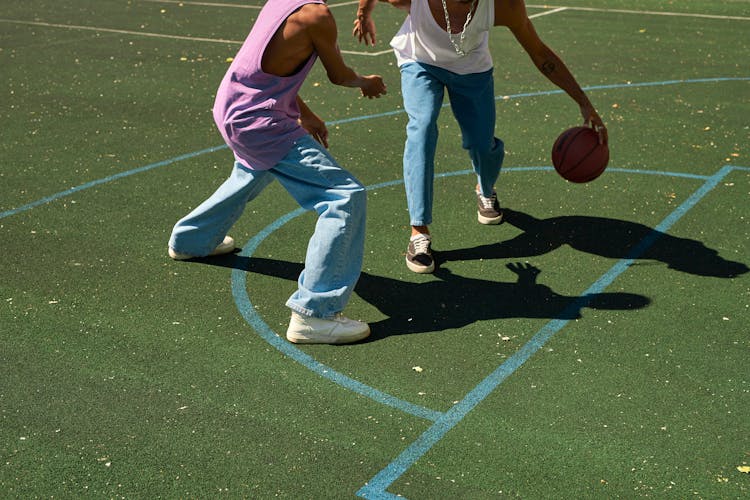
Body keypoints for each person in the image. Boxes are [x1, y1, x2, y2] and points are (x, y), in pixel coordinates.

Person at [168, 0, 387, 344]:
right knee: (344, 196)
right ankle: (314, 314)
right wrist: (366, 82)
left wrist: (304, 113)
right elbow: (339, 75)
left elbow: (271, 72)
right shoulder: (317, 15)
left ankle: (190, 240)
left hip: (233, 106)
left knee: (254, 168)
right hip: (259, 122)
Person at [353, 0, 608, 273]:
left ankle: (485, 188)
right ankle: (419, 232)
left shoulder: (504, 6)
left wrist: (583, 102)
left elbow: (540, 53)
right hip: (420, 61)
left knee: (481, 144)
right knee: (422, 128)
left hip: (472, 70)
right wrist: (364, 13)